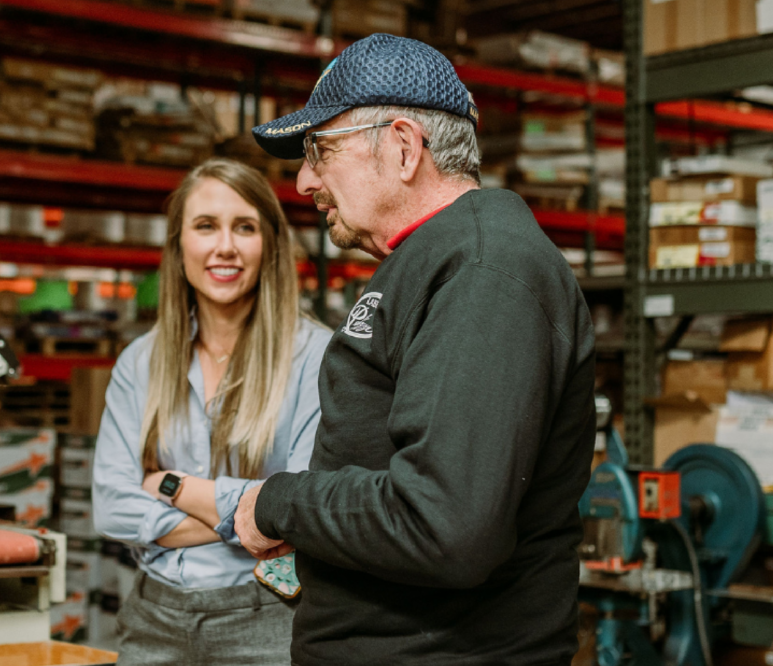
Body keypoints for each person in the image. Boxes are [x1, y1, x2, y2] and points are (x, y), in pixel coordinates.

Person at [233, 33, 596, 666]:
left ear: (403, 146)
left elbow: (444, 526)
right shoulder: (440, 260)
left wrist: (279, 503)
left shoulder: (487, 270)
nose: (303, 181)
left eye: (320, 149)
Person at [93, 157, 332, 665]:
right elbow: (111, 506)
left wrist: (171, 487)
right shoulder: (141, 361)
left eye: (244, 227)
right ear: (179, 244)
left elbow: (306, 507)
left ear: (269, 244)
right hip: (153, 616)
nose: (225, 246)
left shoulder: (315, 357)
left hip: (267, 615)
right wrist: (255, 513)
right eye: (205, 226)